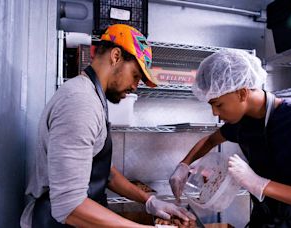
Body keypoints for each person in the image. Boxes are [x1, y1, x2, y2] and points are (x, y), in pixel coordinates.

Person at [20, 24, 195, 228]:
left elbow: (105, 171)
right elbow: (69, 207)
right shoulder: (81, 102)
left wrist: (149, 201)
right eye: (136, 76)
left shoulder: (93, 97)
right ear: (115, 56)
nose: (133, 87)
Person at [169, 49, 291, 227]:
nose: (214, 113)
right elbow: (210, 141)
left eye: (218, 104)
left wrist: (261, 185)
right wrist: (184, 165)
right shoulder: (241, 122)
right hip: (262, 221)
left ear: (242, 93)